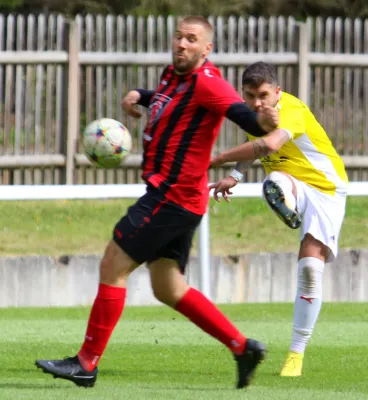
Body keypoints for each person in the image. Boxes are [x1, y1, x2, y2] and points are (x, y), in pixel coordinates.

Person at [34, 16, 279, 390]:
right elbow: (166, 100)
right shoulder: (173, 76)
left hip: (173, 196)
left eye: (192, 40)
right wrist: (140, 95)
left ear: (206, 49)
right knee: (168, 287)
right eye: (179, 37)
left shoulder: (208, 83)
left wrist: (263, 122)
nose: (182, 44)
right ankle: (241, 347)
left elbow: (240, 113)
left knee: (113, 262)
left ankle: (86, 363)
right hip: (181, 198)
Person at [209, 61, 349, 377]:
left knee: (312, 271)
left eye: (263, 95)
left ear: (277, 92)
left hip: (326, 189)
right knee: (273, 183)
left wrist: (217, 159)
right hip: (291, 183)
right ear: (243, 95)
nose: (257, 102)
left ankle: (296, 355)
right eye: (250, 96)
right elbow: (258, 147)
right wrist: (234, 175)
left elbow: (270, 143)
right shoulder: (253, 116)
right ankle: (287, 204)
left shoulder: (292, 110)